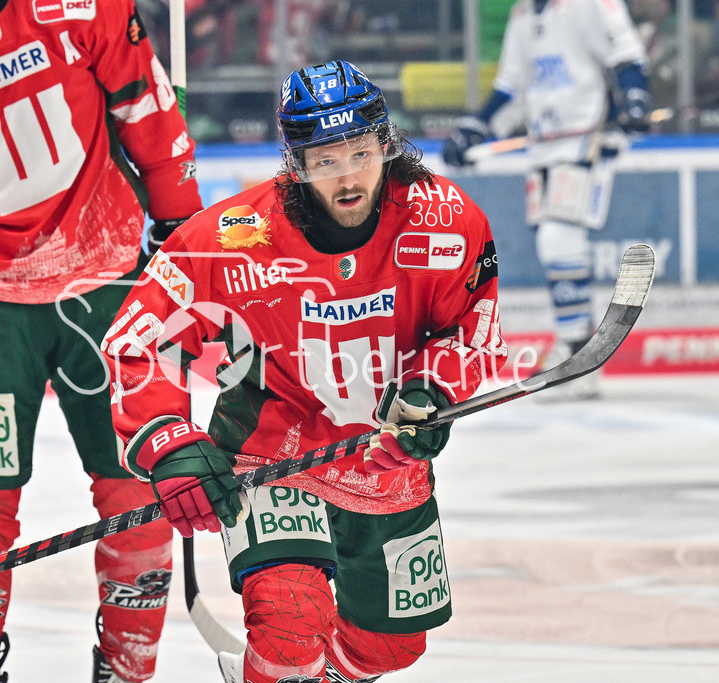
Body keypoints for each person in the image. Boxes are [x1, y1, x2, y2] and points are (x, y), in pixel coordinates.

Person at [102, 60, 507, 683]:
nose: (347, 177)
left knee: (391, 648)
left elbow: (472, 326)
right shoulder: (237, 236)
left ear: (385, 144)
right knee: (291, 624)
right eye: (324, 161)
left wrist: (433, 386)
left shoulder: (443, 221)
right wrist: (168, 442)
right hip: (273, 455)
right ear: (294, 163)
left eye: (360, 154)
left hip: (384, 465)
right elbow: (140, 338)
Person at [0, 1, 203, 682]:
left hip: (113, 280)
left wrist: (182, 236)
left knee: (136, 492)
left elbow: (148, 110)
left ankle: (128, 669)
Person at [443, 0, 652, 399]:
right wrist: (478, 126)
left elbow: (625, 57)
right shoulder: (524, 14)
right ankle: (576, 348)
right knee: (551, 242)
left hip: (585, 141)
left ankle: (577, 351)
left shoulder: (592, 4)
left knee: (559, 238)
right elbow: (512, 87)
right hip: (543, 149)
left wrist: (635, 98)